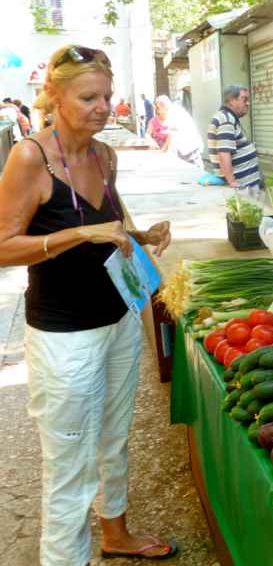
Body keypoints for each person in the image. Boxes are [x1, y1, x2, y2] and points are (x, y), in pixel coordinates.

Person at [0, 45, 175, 564]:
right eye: (89, 97)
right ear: (54, 96)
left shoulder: (105, 154)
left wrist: (142, 235)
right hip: (63, 337)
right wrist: (79, 233)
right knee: (70, 467)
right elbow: (3, 245)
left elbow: (109, 230)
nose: (103, 107)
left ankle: (115, 532)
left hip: (118, 318)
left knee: (114, 440)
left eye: (108, 96)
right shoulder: (30, 157)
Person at [207, 84, 262, 188]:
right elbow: (224, 153)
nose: (248, 103)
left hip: (246, 184)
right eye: (244, 99)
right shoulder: (226, 120)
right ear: (232, 100)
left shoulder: (227, 118)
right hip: (241, 186)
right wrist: (232, 181)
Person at [155, 95, 204, 169]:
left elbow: (171, 136)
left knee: (196, 173)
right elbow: (170, 135)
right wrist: (163, 151)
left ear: (163, 105)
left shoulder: (173, 113)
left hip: (190, 149)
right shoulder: (174, 110)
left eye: (158, 108)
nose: (158, 111)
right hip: (186, 150)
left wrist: (165, 152)